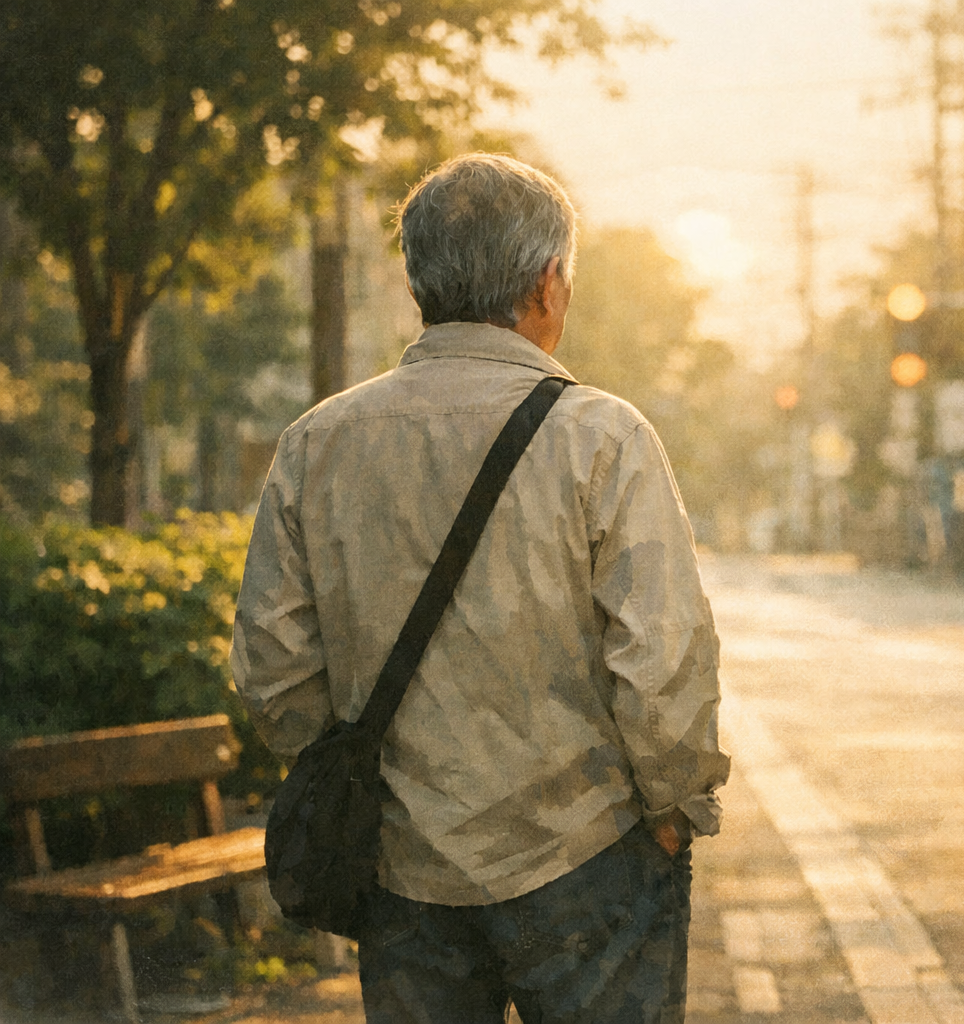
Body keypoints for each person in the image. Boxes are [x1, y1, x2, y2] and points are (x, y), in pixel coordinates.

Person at [232, 153, 730, 1024]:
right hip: (589, 857)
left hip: (403, 872)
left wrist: (364, 781)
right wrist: (673, 804)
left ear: (416, 283)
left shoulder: (317, 443)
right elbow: (663, 658)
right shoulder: (603, 438)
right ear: (546, 283)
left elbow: (273, 672)